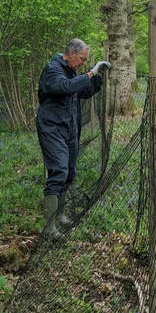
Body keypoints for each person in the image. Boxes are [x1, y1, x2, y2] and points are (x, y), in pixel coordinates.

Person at [36, 38, 110, 238]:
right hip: (52, 127)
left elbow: (82, 92)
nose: (83, 64)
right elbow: (65, 87)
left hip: (69, 128)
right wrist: (91, 72)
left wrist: (97, 78)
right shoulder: (53, 69)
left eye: (86, 61)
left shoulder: (71, 71)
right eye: (82, 60)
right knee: (58, 169)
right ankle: (49, 228)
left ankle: (60, 217)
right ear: (71, 53)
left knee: (69, 171)